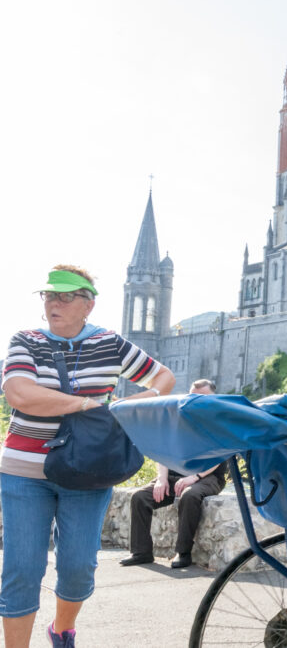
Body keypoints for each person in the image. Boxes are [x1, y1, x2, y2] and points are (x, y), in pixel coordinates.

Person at [1, 266, 175, 648]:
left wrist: (129, 404)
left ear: (88, 304)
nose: (54, 303)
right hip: (24, 472)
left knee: (78, 567)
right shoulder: (25, 340)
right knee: (21, 570)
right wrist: (86, 404)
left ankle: (61, 630)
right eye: (48, 295)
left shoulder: (110, 343)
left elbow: (164, 379)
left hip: (90, 470)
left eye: (65, 296)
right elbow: (20, 394)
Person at [120, 380, 227, 570]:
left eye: (202, 396)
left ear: (213, 397)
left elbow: (220, 455)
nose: (196, 400)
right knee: (140, 497)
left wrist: (195, 477)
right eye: (193, 396)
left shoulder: (219, 420)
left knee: (190, 496)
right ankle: (141, 552)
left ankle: (183, 553)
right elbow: (163, 451)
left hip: (207, 476)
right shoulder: (178, 418)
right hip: (174, 473)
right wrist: (162, 478)